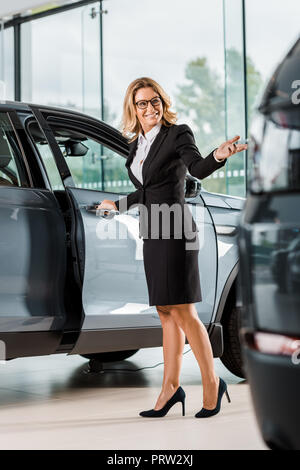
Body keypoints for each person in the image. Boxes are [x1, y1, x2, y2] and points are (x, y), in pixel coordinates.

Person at [97, 77, 247, 418]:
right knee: (166, 311)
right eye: (142, 103)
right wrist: (117, 204)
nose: (150, 108)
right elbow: (148, 191)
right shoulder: (137, 146)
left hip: (176, 230)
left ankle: (212, 384)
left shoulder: (178, 133)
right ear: (133, 109)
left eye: (155, 101)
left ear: (162, 103)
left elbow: (196, 167)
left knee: (183, 311)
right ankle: (169, 388)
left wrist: (219, 156)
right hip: (153, 231)